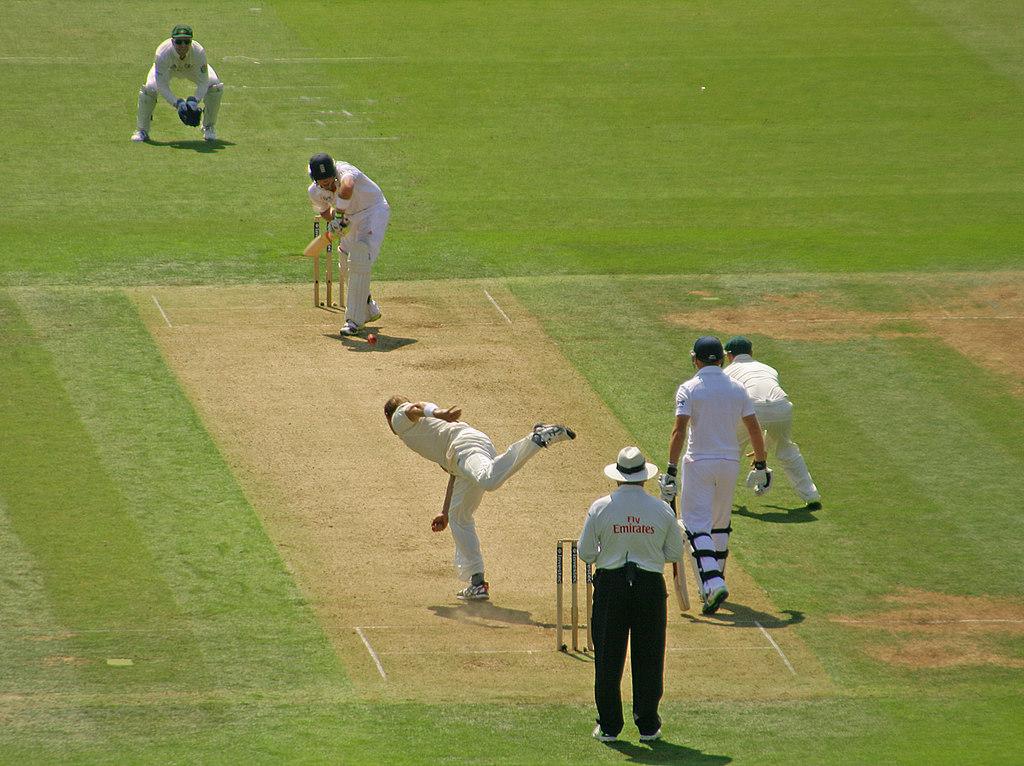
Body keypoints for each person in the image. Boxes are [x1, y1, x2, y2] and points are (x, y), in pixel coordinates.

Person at [384, 396, 575, 600]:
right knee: (458, 516)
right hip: (460, 455)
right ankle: (477, 583)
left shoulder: (398, 418)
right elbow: (454, 472)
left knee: (489, 480)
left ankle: (537, 438)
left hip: (464, 446)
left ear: (389, 416)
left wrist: (439, 413)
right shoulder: (426, 433)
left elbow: (416, 407)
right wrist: (445, 510)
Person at [578, 446, 684, 743]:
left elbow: (586, 553)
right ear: (643, 478)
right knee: (649, 656)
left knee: (608, 657)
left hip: (611, 586)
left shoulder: (600, 507)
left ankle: (610, 726)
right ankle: (648, 726)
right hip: (650, 587)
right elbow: (674, 552)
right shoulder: (662, 509)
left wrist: (609, 551)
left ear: (618, 478)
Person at [658, 337, 770, 615]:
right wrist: (760, 464)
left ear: (695, 359)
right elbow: (755, 430)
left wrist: (671, 469)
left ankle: (714, 582)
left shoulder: (689, 388)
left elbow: (679, 432)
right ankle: (712, 586)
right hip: (729, 462)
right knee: (719, 524)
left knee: (696, 525)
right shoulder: (737, 388)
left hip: (699, 462)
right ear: (720, 359)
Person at [723, 336, 822, 510]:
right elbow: (769, 410)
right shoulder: (769, 369)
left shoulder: (728, 372)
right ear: (751, 352)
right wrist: (763, 448)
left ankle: (718, 497)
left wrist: (760, 448)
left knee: (730, 451)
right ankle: (811, 495)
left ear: (729, 356)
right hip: (782, 407)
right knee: (787, 449)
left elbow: (741, 407)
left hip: (753, 409)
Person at [309, 153, 390, 337]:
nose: (329, 186)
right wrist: (336, 225)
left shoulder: (346, 172)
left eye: (331, 181)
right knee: (345, 263)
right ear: (315, 181)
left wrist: (339, 217)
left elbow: (347, 188)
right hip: (349, 217)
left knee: (360, 257)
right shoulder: (314, 192)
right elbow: (325, 212)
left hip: (373, 212)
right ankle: (369, 308)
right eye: (324, 184)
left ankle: (353, 321)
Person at [132, 25, 224, 143]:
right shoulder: (162, 53)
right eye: (179, 42)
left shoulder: (198, 51)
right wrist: (177, 103)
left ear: (191, 41)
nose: (183, 46)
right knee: (149, 88)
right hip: (169, 70)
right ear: (172, 41)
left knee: (215, 86)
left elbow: (203, 81)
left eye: (186, 42)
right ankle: (142, 130)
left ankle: (208, 127)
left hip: (191, 69)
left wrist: (194, 100)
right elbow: (161, 84)